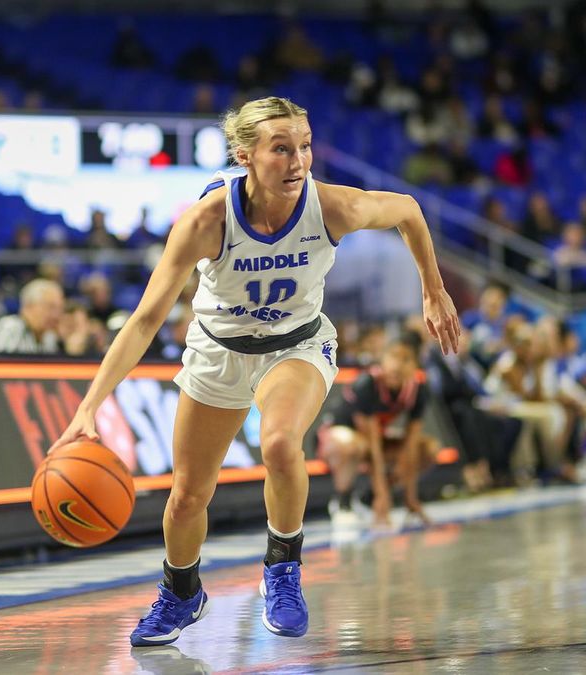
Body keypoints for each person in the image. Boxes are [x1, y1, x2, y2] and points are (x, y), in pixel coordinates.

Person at [50, 96, 460, 646]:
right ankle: (181, 593)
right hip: (218, 351)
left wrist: (433, 289)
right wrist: (89, 406)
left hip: (297, 345)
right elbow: (145, 320)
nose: (298, 161)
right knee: (187, 497)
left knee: (280, 443)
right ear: (244, 156)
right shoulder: (206, 220)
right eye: (281, 149)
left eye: (305, 147)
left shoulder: (330, 207)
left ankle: (282, 570)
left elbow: (408, 209)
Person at [319, 334, 438, 527]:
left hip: (371, 442)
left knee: (427, 449)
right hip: (335, 441)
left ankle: (367, 498)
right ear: (382, 358)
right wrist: (382, 497)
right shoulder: (367, 384)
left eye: (405, 359)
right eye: (393, 356)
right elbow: (373, 446)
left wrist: (411, 499)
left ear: (416, 365)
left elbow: (410, 448)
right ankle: (342, 503)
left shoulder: (418, 391)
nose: (396, 365)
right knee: (353, 446)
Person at [0, 278, 63, 354]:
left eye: (60, 309)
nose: (56, 315)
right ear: (29, 306)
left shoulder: (49, 338)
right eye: (50, 307)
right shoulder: (9, 328)